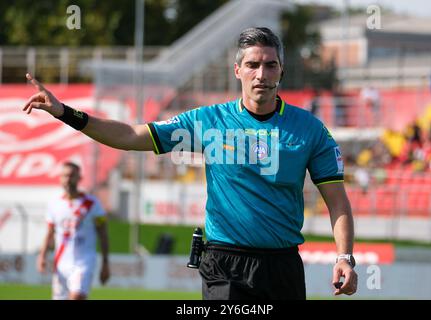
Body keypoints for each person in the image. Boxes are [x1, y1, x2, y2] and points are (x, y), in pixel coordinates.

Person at [24, 27, 357, 300]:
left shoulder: (310, 130)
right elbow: (129, 135)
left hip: (282, 265)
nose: (261, 74)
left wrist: (344, 257)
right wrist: (66, 113)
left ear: (281, 70)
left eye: (270, 65)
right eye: (253, 64)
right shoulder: (208, 122)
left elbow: (338, 202)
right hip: (225, 263)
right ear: (237, 70)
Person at [36, 161, 110, 300]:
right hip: (61, 263)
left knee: (76, 297)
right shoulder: (54, 204)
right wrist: (42, 255)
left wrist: (105, 263)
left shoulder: (92, 204)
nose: (68, 179)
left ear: (79, 178)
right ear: (60, 178)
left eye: (71, 176)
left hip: (83, 262)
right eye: (64, 176)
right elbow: (50, 232)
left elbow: (103, 233)